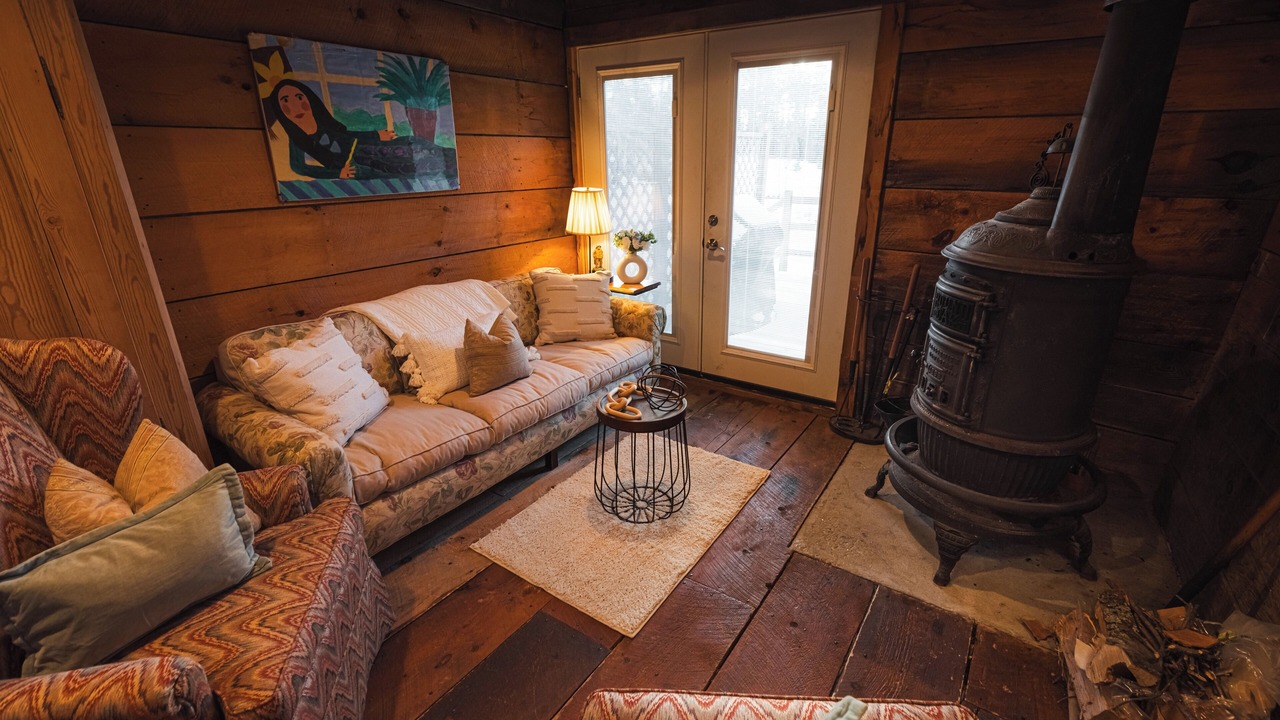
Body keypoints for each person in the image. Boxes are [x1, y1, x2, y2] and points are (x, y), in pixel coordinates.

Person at [268, 79, 438, 180]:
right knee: (393, 170)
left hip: (365, 148)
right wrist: (337, 173)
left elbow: (347, 136)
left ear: (309, 99)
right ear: (281, 110)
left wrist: (376, 135)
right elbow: (299, 168)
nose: (296, 106)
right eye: (285, 101)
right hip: (354, 165)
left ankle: (440, 160)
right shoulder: (297, 139)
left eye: (299, 98)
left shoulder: (324, 123)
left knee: (407, 146)